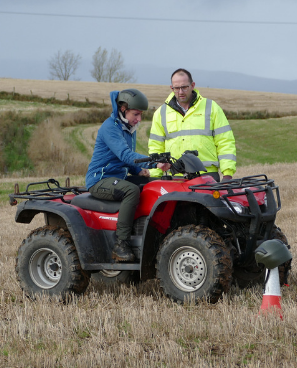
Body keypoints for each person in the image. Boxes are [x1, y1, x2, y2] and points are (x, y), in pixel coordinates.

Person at [86, 89, 154, 261]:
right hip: (100, 180)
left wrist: (140, 171)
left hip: (117, 178)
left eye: (141, 115)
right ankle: (121, 243)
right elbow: (125, 155)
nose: (139, 119)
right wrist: (152, 162)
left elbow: (125, 162)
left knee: (151, 184)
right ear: (123, 109)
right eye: (136, 114)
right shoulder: (110, 127)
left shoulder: (129, 128)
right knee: (132, 191)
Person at [148, 68, 237, 181]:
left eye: (184, 87)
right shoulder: (161, 113)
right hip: (176, 177)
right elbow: (156, 147)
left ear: (193, 85)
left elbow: (225, 142)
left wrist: (227, 174)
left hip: (207, 176)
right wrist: (156, 175)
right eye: (176, 88)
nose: (180, 92)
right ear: (171, 88)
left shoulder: (211, 107)